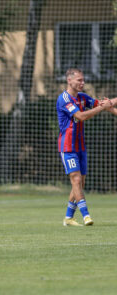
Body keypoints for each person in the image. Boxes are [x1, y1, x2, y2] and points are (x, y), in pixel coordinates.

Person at [56, 68, 113, 226]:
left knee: (81, 183)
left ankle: (68, 217)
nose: (83, 83)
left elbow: (104, 105)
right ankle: (86, 215)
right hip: (67, 147)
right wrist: (103, 107)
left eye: (83, 80)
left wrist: (110, 104)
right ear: (69, 80)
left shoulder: (82, 98)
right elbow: (81, 116)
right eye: (79, 80)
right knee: (76, 179)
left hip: (80, 146)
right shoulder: (64, 99)